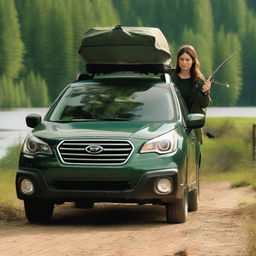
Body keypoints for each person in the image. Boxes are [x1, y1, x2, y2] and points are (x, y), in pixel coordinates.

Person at [168, 45, 212, 143]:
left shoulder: (199, 82)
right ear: (178, 60)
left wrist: (204, 93)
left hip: (191, 129)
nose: (184, 62)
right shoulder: (169, 76)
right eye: (182, 59)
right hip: (171, 126)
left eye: (187, 60)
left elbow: (204, 105)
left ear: (193, 61)